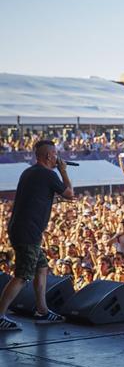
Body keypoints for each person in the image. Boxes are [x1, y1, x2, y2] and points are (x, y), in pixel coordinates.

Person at [0, 140, 74, 330]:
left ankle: (42, 310)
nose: (57, 158)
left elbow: (36, 198)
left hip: (22, 228)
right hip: (28, 232)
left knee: (41, 267)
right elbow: (69, 193)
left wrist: (52, 200)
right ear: (49, 156)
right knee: (22, 275)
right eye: (55, 154)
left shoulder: (29, 172)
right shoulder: (47, 174)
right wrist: (63, 170)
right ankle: (0, 315)